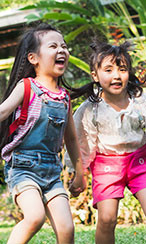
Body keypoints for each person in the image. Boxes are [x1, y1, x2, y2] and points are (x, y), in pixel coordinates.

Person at [65, 41, 146, 244]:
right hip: (106, 165)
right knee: (106, 218)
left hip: (140, 160)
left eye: (122, 69)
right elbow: (82, 143)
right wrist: (79, 175)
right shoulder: (89, 109)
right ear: (95, 75)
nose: (116, 76)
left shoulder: (139, 101)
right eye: (108, 70)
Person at [0, 23, 86, 244]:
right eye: (53, 46)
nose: (62, 50)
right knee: (35, 217)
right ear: (33, 58)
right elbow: (4, 110)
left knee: (67, 228)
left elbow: (71, 138)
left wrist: (79, 172)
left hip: (51, 171)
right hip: (23, 168)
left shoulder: (64, 97)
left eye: (64, 46)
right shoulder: (27, 87)